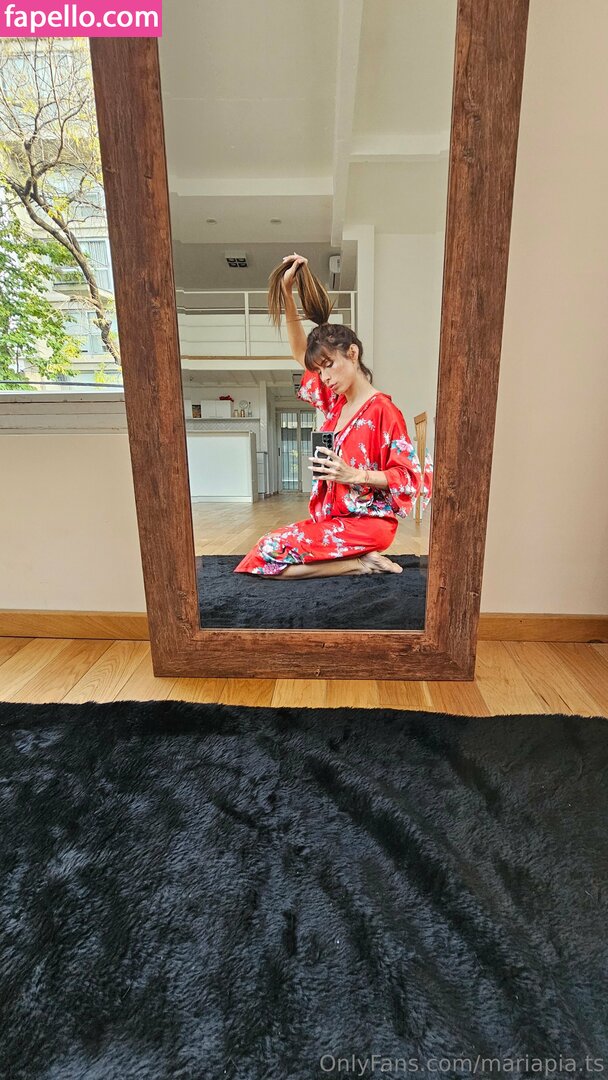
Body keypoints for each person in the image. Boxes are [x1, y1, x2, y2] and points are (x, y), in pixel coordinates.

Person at [234, 253, 433, 578]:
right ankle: (361, 563)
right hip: (334, 520)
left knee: (268, 552)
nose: (324, 377)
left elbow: (410, 476)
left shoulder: (383, 410)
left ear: (352, 353)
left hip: (369, 524)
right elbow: (300, 353)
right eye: (319, 371)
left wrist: (355, 475)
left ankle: (360, 563)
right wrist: (287, 295)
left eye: (329, 366)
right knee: (264, 550)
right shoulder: (336, 402)